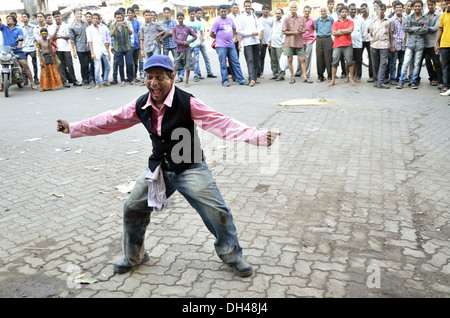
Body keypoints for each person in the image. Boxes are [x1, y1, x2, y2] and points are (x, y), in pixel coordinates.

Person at [55, 54, 280, 277]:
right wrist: (74, 127)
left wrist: (256, 136)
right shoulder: (141, 104)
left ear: (172, 78)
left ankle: (232, 255)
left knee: (218, 211)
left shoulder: (188, 102)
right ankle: (134, 256)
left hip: (190, 167)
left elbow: (220, 122)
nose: (153, 83)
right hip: (159, 168)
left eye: (160, 77)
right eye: (149, 77)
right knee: (133, 208)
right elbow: (111, 119)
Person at [210, 5, 247, 87]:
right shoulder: (217, 21)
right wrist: (219, 38)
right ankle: (225, 80)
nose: (223, 13)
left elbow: (234, 29)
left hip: (230, 44)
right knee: (223, 63)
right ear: (219, 12)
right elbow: (211, 33)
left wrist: (233, 37)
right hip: (220, 46)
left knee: (236, 62)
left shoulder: (230, 19)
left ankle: (241, 79)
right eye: (222, 11)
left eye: (224, 11)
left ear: (227, 11)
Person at [0, 15, 38, 91]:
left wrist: (19, 45)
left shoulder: (18, 29)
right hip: (6, 51)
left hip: (17, 50)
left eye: (10, 19)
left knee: (25, 64)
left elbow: (20, 38)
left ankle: (32, 83)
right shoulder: (4, 28)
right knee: (1, 66)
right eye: (7, 19)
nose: (7, 20)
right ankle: (1, 84)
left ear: (14, 21)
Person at [397, 0, 429, 89]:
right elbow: (406, 28)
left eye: (419, 6)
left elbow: (425, 30)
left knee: (416, 64)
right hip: (410, 44)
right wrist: (419, 28)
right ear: (413, 7)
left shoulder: (425, 18)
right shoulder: (409, 17)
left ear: (422, 7)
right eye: (416, 6)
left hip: (420, 45)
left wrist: (413, 29)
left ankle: (413, 82)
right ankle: (401, 81)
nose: (417, 8)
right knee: (405, 63)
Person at [282, 1, 312, 84]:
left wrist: (300, 31)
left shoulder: (301, 18)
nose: (293, 9)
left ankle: (305, 77)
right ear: (290, 9)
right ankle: (293, 77)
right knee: (290, 59)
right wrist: (294, 32)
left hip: (299, 42)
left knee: (302, 59)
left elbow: (304, 29)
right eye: (292, 7)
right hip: (289, 42)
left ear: (297, 8)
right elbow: (284, 31)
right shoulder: (286, 19)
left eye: (295, 7)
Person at [50, 10, 81, 88]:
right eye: (55, 16)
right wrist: (56, 30)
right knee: (60, 65)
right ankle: (64, 81)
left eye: (58, 16)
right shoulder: (51, 27)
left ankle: (74, 80)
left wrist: (60, 36)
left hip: (66, 48)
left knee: (70, 65)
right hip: (57, 48)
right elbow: (51, 38)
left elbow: (69, 36)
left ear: (61, 16)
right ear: (53, 18)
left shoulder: (66, 25)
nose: (57, 18)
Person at [237, 0, 264, 87]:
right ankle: (251, 79)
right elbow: (239, 31)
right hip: (247, 42)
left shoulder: (254, 16)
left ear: (251, 6)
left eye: (249, 6)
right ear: (244, 7)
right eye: (246, 6)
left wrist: (258, 32)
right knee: (250, 60)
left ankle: (255, 78)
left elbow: (259, 26)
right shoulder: (241, 17)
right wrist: (251, 33)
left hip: (255, 41)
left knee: (256, 60)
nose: (248, 7)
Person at [329, 6, 356, 87]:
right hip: (337, 45)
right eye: (342, 12)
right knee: (334, 63)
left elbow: (350, 30)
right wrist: (345, 31)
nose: (344, 13)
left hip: (347, 45)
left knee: (350, 62)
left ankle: (351, 80)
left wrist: (339, 31)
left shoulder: (350, 22)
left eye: (345, 12)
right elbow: (333, 33)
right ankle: (333, 80)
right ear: (339, 13)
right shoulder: (335, 23)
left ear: (347, 13)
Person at [368, 3, 393, 89]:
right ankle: (376, 81)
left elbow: (391, 34)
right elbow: (370, 33)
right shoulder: (373, 21)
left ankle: (380, 82)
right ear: (377, 10)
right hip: (374, 45)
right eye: (380, 9)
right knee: (375, 64)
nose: (381, 11)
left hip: (384, 45)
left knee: (383, 64)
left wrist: (392, 46)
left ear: (385, 10)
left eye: (382, 9)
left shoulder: (389, 21)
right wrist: (371, 42)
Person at [110, 10, 136, 87]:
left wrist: (126, 27)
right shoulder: (112, 25)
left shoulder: (127, 23)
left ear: (123, 17)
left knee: (130, 64)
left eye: (120, 18)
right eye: (117, 18)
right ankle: (122, 80)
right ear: (115, 18)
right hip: (118, 48)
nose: (119, 19)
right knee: (120, 65)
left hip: (127, 47)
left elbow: (131, 33)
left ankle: (131, 79)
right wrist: (115, 27)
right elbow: (111, 35)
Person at [420, 0, 442, 87]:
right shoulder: (424, 15)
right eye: (428, 5)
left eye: (431, 5)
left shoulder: (439, 15)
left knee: (436, 63)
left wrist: (425, 28)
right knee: (428, 63)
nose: (430, 6)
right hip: (424, 43)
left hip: (433, 43)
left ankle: (440, 80)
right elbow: (421, 26)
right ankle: (432, 79)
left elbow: (435, 28)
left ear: (435, 5)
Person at [172, 12, 197, 87]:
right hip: (179, 50)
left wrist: (189, 41)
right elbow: (174, 40)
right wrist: (183, 42)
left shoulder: (187, 28)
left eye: (181, 18)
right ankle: (171, 82)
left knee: (188, 65)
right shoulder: (175, 28)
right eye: (179, 18)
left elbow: (195, 36)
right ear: (177, 19)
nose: (180, 20)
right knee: (175, 66)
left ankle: (186, 81)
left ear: (183, 18)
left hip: (187, 50)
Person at [86, 13, 111, 88]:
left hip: (104, 50)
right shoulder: (89, 29)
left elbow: (105, 41)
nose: (95, 20)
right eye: (93, 18)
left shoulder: (103, 27)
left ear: (99, 19)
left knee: (108, 66)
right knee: (97, 68)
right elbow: (89, 41)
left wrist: (108, 51)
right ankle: (97, 83)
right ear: (92, 19)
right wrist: (92, 53)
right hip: (96, 51)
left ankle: (105, 80)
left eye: (97, 18)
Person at [69, 8, 91, 89]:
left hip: (88, 47)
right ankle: (85, 80)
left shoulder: (86, 24)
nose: (79, 15)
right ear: (74, 14)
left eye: (80, 13)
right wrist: (74, 51)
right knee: (83, 64)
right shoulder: (71, 26)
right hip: (80, 48)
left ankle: (91, 78)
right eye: (78, 13)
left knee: (90, 63)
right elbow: (72, 40)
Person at [295, 5, 316, 80]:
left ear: (310, 12)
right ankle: (298, 72)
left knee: (307, 57)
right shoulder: (299, 19)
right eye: (305, 11)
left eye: (308, 11)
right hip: (300, 41)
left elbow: (316, 30)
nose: (306, 12)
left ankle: (306, 73)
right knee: (299, 57)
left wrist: (313, 39)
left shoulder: (312, 21)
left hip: (309, 41)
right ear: (303, 11)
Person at [195, 8, 217, 79]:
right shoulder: (193, 21)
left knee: (206, 57)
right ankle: (198, 73)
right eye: (198, 13)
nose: (199, 15)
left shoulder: (203, 21)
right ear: (195, 14)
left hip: (203, 41)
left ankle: (209, 72)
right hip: (195, 42)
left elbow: (203, 30)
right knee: (196, 59)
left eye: (200, 13)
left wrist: (203, 38)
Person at [389, 1, 407, 85]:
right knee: (393, 63)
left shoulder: (405, 18)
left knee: (402, 63)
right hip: (395, 44)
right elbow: (391, 34)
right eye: (397, 7)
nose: (399, 8)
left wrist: (406, 44)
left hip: (403, 44)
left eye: (400, 7)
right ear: (394, 9)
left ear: (402, 8)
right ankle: (392, 79)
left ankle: (399, 77)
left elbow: (406, 32)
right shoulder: (392, 20)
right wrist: (392, 46)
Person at [435, 0, 450, 95]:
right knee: (445, 66)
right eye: (447, 4)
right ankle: (446, 86)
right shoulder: (443, 16)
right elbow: (440, 30)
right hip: (444, 45)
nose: (448, 5)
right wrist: (436, 43)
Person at [315, 7, 334, 82]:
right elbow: (316, 29)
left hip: (328, 39)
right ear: (320, 12)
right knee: (319, 58)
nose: (323, 12)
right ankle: (320, 76)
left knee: (329, 57)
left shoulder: (331, 19)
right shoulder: (317, 20)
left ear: (327, 12)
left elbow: (333, 28)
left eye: (324, 11)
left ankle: (330, 76)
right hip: (319, 39)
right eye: (322, 11)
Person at [20, 12, 39, 85]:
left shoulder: (33, 27)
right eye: (22, 17)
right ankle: (25, 79)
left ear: (28, 18)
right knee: (24, 65)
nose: (23, 18)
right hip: (23, 48)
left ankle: (36, 78)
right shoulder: (20, 28)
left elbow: (36, 36)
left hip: (32, 48)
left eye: (25, 17)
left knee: (34, 64)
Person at [268, 8, 286, 81]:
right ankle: (275, 74)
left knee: (280, 61)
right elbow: (271, 32)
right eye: (277, 13)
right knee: (273, 60)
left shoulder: (283, 22)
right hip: (273, 44)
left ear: (282, 14)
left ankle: (281, 75)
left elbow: (285, 34)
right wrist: (269, 41)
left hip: (279, 44)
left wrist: (283, 45)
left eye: (279, 13)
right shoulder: (274, 21)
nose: (277, 15)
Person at [348, 3, 364, 82]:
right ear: (349, 9)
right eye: (352, 9)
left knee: (358, 60)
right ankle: (349, 76)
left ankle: (356, 75)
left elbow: (363, 31)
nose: (353, 11)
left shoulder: (360, 19)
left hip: (358, 43)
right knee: (348, 60)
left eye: (354, 9)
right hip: (348, 43)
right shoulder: (346, 19)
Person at [258, 4, 274, 78]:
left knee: (273, 57)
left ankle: (274, 71)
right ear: (262, 10)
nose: (265, 10)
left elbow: (273, 30)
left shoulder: (272, 19)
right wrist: (260, 40)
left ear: (269, 10)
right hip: (263, 42)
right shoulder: (259, 20)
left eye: (267, 9)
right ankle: (261, 72)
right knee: (261, 58)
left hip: (271, 41)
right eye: (264, 9)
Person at [127, 7, 141, 83]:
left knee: (135, 61)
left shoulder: (137, 22)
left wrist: (139, 43)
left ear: (134, 14)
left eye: (131, 13)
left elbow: (138, 33)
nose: (130, 14)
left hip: (136, 44)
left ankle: (135, 76)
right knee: (129, 62)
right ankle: (129, 76)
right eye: (129, 13)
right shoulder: (125, 22)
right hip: (128, 45)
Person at [360, 3, 374, 81]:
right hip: (361, 40)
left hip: (370, 40)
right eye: (361, 9)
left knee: (371, 58)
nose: (363, 10)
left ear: (367, 8)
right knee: (359, 58)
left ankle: (371, 76)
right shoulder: (359, 18)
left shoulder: (372, 18)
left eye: (364, 8)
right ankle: (358, 76)